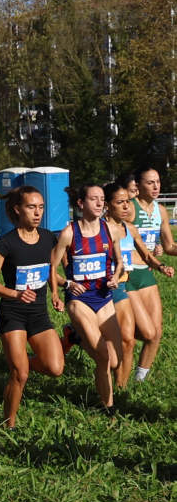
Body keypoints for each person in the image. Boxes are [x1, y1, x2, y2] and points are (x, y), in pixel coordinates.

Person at [0, 186, 65, 428]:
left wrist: (56, 294)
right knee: (21, 375)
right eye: (31, 207)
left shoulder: (49, 238)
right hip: (13, 314)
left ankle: (21, 360)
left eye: (40, 207)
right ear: (18, 209)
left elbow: (51, 271)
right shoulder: (7, 242)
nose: (37, 212)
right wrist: (15, 294)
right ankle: (9, 425)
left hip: (39, 314)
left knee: (55, 368)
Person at [49, 183, 124, 414]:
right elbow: (51, 267)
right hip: (79, 300)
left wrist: (116, 277)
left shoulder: (110, 230)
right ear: (81, 204)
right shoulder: (69, 233)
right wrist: (62, 288)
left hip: (104, 297)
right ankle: (108, 408)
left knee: (114, 362)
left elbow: (119, 263)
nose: (101, 203)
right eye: (94, 199)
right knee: (103, 356)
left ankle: (75, 336)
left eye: (102, 199)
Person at [102, 181, 172, 388]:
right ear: (108, 205)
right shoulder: (99, 230)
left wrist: (161, 267)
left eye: (127, 202)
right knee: (131, 339)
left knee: (139, 337)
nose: (126, 207)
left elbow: (146, 254)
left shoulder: (129, 228)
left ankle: (122, 388)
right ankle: (119, 388)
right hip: (109, 288)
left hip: (124, 284)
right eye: (121, 202)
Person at [129, 166, 173, 382]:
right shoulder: (129, 208)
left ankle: (139, 381)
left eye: (158, 182)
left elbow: (169, 245)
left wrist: (160, 255)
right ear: (138, 185)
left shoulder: (161, 210)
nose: (156, 186)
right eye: (150, 182)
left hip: (147, 273)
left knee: (155, 333)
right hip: (127, 274)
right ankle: (87, 334)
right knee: (142, 333)